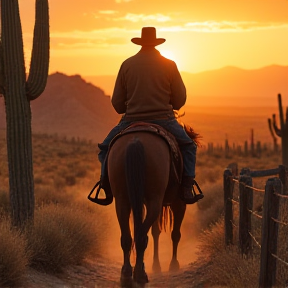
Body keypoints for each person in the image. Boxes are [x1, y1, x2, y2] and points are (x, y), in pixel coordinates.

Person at [95, 27, 201, 205]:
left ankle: (105, 185)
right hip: (164, 119)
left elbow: (117, 103)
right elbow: (180, 99)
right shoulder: (169, 64)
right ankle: (187, 187)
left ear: (141, 43)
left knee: (105, 148)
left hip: (131, 119)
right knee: (189, 146)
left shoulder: (127, 64)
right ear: (156, 43)